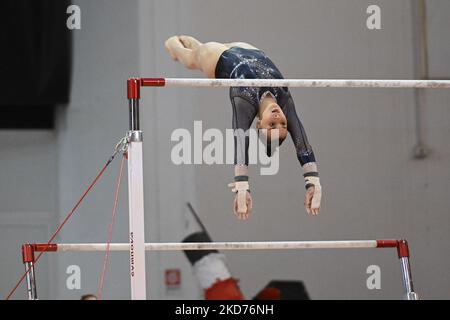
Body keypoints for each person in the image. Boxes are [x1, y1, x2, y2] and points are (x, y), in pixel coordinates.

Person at [165, 36, 322, 220]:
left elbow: (240, 140)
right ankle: (194, 45)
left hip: (217, 57)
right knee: (198, 49)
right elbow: (302, 142)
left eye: (271, 125)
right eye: (282, 124)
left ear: (258, 123)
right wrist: (313, 182)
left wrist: (242, 187)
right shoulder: (284, 101)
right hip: (251, 50)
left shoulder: (245, 101)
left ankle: (172, 45)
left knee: (191, 59)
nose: (278, 118)